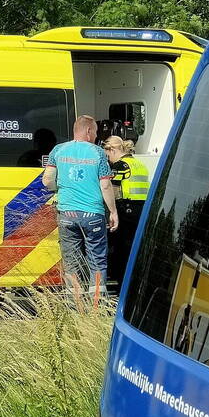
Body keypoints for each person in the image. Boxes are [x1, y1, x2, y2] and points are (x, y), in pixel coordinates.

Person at [42, 115, 119, 296]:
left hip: (67, 214)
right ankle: (96, 306)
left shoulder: (58, 150)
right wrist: (113, 212)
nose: (95, 137)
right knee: (97, 260)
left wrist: (61, 189)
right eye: (95, 133)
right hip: (93, 214)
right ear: (88, 131)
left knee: (71, 261)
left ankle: (73, 306)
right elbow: (105, 185)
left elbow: (47, 181)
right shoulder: (98, 153)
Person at [103, 135, 149, 284]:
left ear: (112, 150)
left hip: (125, 210)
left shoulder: (119, 166)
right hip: (141, 210)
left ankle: (121, 281)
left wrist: (109, 211)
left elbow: (113, 190)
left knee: (121, 247)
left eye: (107, 154)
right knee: (133, 247)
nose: (108, 158)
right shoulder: (138, 164)